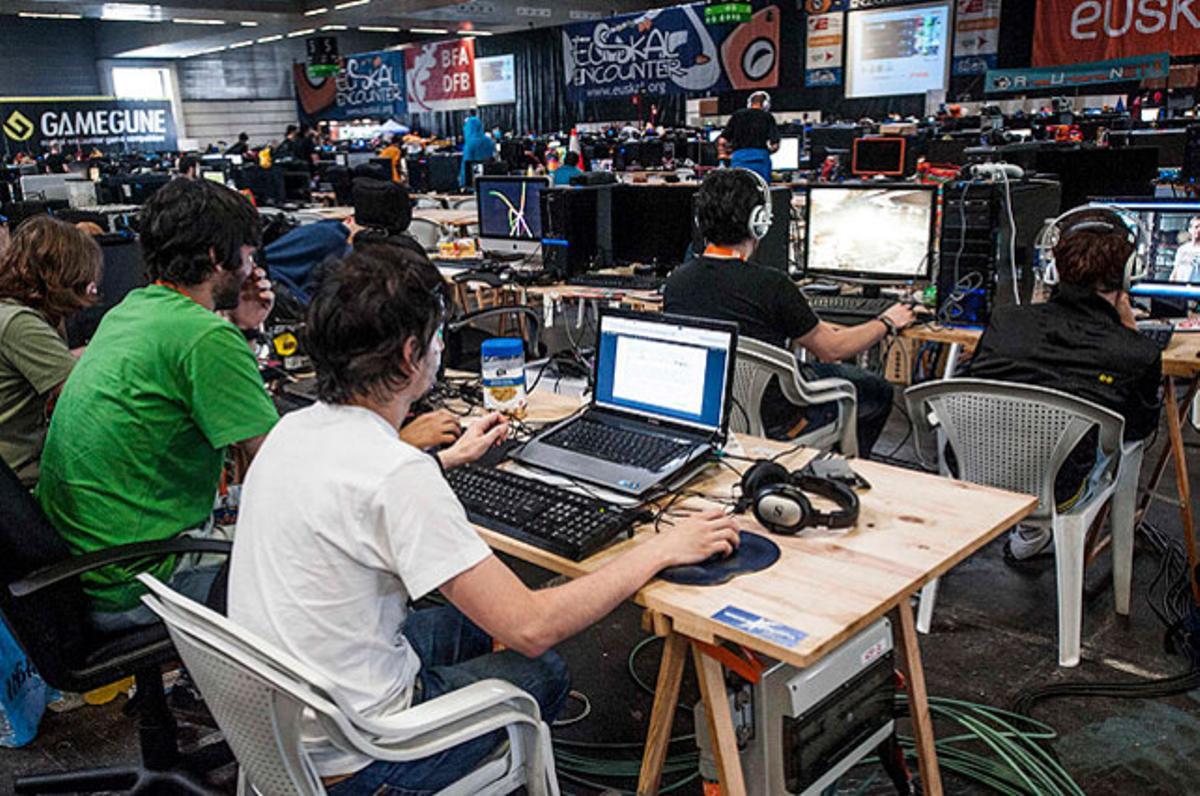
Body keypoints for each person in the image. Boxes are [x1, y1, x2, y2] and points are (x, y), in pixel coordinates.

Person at [228, 246, 740, 794]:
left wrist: (447, 460)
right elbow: (531, 626)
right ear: (408, 355)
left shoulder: (291, 432)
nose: (440, 347)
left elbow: (363, 496)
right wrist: (660, 549)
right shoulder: (395, 475)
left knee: (477, 619)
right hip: (363, 757)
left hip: (284, 725)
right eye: (436, 335)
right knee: (544, 667)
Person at [35, 179, 279, 631]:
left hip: (84, 570)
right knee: (312, 548)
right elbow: (280, 469)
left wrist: (240, 327)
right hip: (140, 580)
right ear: (215, 257)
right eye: (246, 256)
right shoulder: (204, 337)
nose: (250, 269)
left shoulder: (133, 310)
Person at [664, 169, 914, 455]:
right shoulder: (772, 285)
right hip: (778, 420)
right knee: (877, 390)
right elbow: (833, 349)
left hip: (705, 411)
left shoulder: (677, 282)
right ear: (759, 222)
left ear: (700, 220)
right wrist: (886, 321)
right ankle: (846, 469)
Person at [966, 207, 1161, 561]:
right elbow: (1139, 430)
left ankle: (1029, 532)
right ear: (1129, 274)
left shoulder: (1006, 320)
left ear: (1053, 269)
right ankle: (1039, 532)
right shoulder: (1136, 352)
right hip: (1062, 491)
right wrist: (1131, 335)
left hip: (974, 475)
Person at [0, 217, 101, 486]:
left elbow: (61, 362)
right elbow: (86, 397)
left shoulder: (9, 312)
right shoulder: (20, 324)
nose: (91, 290)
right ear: (61, 276)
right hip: (20, 486)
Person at [718, 91, 780, 183]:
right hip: (760, 159)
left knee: (739, 190)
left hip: (739, 159)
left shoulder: (737, 115)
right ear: (766, 105)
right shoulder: (768, 117)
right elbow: (775, 145)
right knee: (762, 191)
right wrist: (766, 152)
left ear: (749, 103)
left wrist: (724, 155)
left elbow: (722, 141)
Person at [459, 116, 496, 189]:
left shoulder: (469, 144)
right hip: (489, 180)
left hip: (473, 182)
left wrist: (462, 183)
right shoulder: (489, 141)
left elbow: (466, 166)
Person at [1169, 216, 1200, 282]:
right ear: (1190, 229)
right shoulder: (1182, 249)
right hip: (1181, 287)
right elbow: (1175, 270)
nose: (1198, 230)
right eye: (1196, 227)